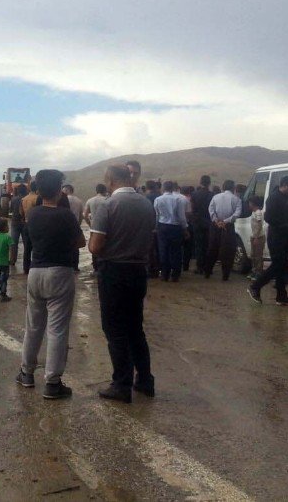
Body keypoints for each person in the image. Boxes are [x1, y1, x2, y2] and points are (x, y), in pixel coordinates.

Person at [89, 162, 157, 403]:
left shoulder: (108, 205)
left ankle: (122, 384)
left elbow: (95, 247)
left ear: (110, 181)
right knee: (135, 327)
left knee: (115, 329)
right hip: (138, 270)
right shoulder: (147, 204)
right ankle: (145, 380)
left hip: (114, 272)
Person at [15, 169, 85, 400]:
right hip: (59, 273)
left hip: (35, 272)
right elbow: (80, 242)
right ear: (58, 190)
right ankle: (52, 383)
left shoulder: (33, 214)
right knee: (57, 329)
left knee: (33, 325)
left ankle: (26, 373)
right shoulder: (65, 216)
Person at [248, 176, 288, 306]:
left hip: (286, 236)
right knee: (277, 265)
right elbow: (269, 217)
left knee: (285, 266)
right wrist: (285, 225)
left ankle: (281, 296)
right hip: (276, 236)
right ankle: (255, 286)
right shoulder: (274, 197)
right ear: (286, 185)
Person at [204, 180, 242, 281]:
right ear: (233, 188)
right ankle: (225, 275)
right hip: (228, 227)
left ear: (223, 187)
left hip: (215, 225)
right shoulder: (237, 199)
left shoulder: (215, 197)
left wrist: (216, 221)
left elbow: (210, 209)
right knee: (228, 251)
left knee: (212, 248)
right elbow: (237, 214)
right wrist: (225, 221)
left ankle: (207, 271)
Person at [153, 181, 189, 282]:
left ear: (163, 188)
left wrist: (156, 227)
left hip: (162, 226)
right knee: (176, 251)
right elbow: (182, 216)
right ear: (173, 188)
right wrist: (185, 229)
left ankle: (165, 274)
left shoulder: (158, 199)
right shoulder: (178, 199)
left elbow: (157, 215)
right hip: (176, 227)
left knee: (163, 250)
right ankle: (175, 275)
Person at [190, 176, 214, 275]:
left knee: (199, 245)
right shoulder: (212, 195)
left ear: (200, 182)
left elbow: (193, 209)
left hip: (198, 223)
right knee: (208, 245)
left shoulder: (194, 194)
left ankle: (199, 267)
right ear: (209, 183)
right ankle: (207, 267)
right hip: (209, 223)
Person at [62, 184, 84, 271]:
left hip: (65, 226)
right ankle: (75, 266)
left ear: (67, 190)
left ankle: (67, 265)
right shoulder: (79, 200)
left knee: (66, 246)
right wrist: (78, 224)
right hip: (76, 226)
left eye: (63, 190)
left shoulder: (64, 199)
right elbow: (81, 215)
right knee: (76, 247)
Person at [20, 181, 40, 274]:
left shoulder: (24, 199)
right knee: (37, 247)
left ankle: (26, 268)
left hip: (26, 224)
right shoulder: (37, 198)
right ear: (37, 188)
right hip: (36, 225)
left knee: (27, 248)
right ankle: (36, 266)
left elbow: (21, 213)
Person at [8, 184, 27, 267]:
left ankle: (12, 260)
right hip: (25, 223)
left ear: (18, 191)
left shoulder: (13, 199)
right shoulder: (26, 199)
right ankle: (26, 261)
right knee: (26, 243)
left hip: (15, 223)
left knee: (13, 243)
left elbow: (10, 210)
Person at [247, 196, 265, 280]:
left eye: (250, 203)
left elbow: (259, 225)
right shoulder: (253, 212)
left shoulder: (258, 212)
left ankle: (259, 273)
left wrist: (256, 237)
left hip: (258, 237)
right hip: (253, 236)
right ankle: (254, 271)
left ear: (253, 204)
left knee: (258, 255)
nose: (249, 205)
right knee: (253, 255)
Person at [179, 186, 195, 271]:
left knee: (178, 245)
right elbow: (188, 213)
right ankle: (185, 265)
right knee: (188, 246)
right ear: (189, 192)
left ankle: (179, 263)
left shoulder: (178, 198)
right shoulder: (188, 200)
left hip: (177, 225)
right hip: (187, 224)